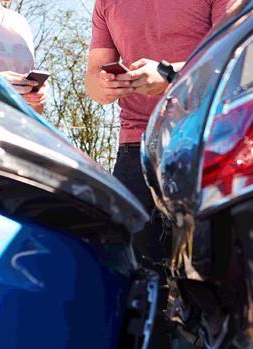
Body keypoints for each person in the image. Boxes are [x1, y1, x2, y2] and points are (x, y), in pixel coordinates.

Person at [85, 0, 231, 347]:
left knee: (210, 279)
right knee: (140, 282)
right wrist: (103, 87)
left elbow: (234, 53)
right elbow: (93, 78)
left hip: (204, 139)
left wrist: (170, 75)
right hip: (135, 148)